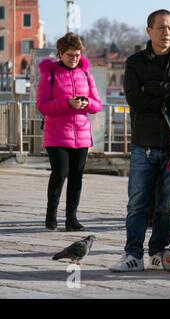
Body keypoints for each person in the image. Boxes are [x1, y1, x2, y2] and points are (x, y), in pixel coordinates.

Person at [109, 9, 170, 272]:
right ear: (149, 31)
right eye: (161, 28)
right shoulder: (135, 62)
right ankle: (132, 254)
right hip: (143, 144)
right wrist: (165, 93)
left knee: (164, 205)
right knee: (137, 203)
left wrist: (153, 88)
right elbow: (135, 98)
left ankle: (158, 251)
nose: (167, 32)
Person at [36, 32, 102, 232]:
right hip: (56, 134)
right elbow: (42, 105)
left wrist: (85, 103)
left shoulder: (85, 74)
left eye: (77, 55)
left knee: (77, 176)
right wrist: (67, 104)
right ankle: (51, 215)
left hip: (81, 134)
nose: (75, 59)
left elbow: (97, 105)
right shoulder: (51, 74)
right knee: (60, 173)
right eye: (70, 55)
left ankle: (71, 218)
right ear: (60, 54)